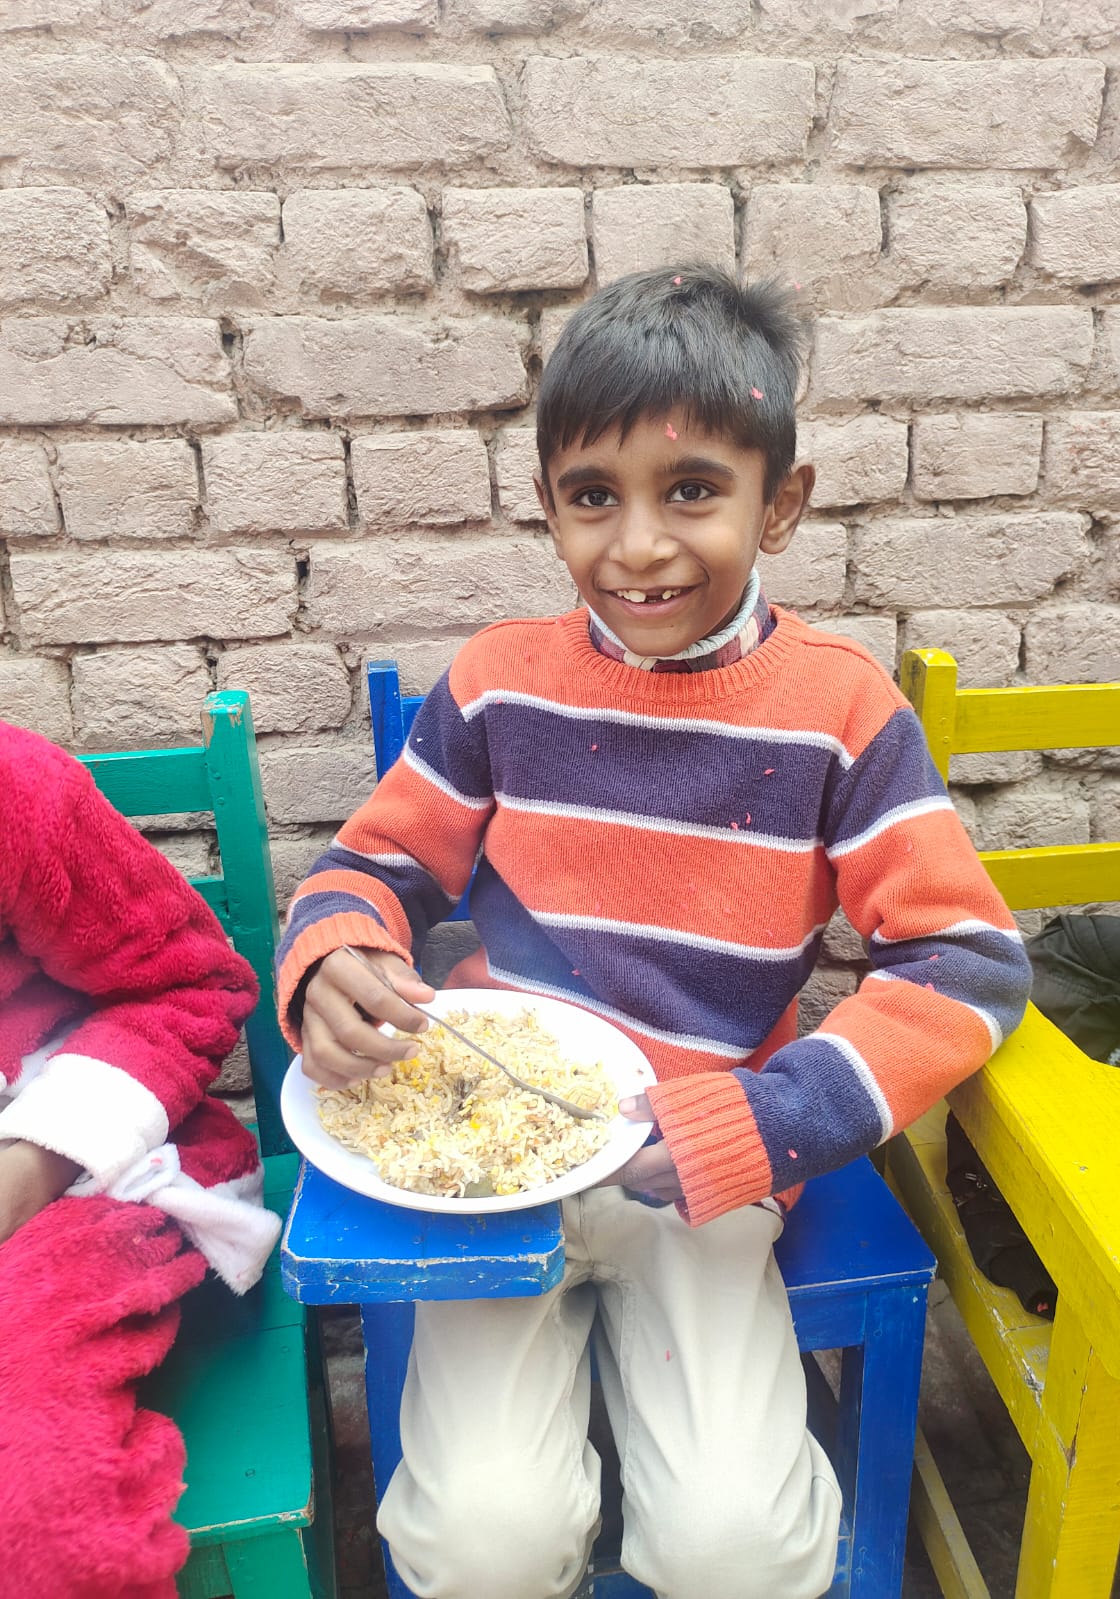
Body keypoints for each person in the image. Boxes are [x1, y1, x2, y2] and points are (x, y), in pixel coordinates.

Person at [277, 265, 1032, 1599]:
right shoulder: (500, 683)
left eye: (690, 489)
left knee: (732, 1550)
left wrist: (772, 1120)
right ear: (549, 505)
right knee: (481, 1543)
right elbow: (375, 864)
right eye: (592, 497)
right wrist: (338, 948)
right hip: (489, 1159)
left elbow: (965, 963)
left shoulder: (838, 713)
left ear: (779, 502)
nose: (636, 545)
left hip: (702, 1164)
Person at [0, 718, 282, 1599]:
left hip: (70, 1184)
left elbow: (193, 980)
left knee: (32, 1527)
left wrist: (32, 1164)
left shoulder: (13, 791)